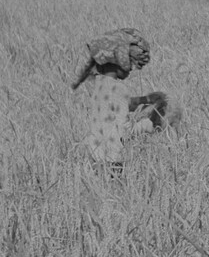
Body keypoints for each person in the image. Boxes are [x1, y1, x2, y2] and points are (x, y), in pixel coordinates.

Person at [72, 28, 169, 169]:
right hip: (113, 163)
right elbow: (123, 132)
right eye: (130, 62)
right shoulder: (119, 89)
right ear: (119, 59)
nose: (131, 69)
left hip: (95, 160)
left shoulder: (99, 85)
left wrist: (146, 99)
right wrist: (148, 124)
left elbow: (117, 104)